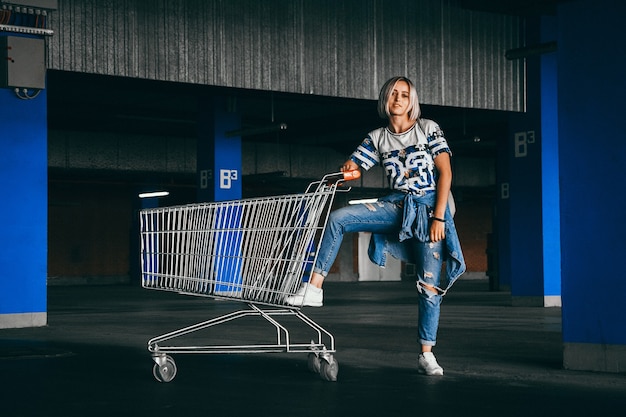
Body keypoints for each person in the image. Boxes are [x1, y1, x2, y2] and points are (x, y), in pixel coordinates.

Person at [286, 76, 466, 376]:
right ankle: (314, 288)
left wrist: (438, 218)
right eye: (393, 93)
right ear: (385, 99)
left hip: (429, 208)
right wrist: (348, 169)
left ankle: (426, 354)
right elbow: (356, 166)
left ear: (412, 101)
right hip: (396, 205)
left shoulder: (427, 128)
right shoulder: (377, 137)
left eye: (405, 94)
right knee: (339, 217)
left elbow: (445, 173)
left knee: (429, 286)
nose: (398, 98)